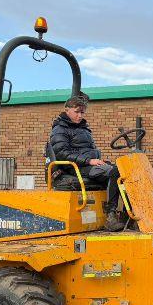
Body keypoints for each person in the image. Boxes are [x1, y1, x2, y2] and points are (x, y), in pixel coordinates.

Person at [50, 95, 125, 229]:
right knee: (115, 172)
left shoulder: (83, 128)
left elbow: (88, 149)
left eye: (82, 112)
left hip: (88, 164)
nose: (80, 115)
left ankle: (128, 214)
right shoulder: (59, 129)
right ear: (66, 110)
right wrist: (89, 161)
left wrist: (97, 160)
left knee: (124, 170)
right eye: (76, 112)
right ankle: (111, 216)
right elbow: (61, 153)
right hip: (75, 167)